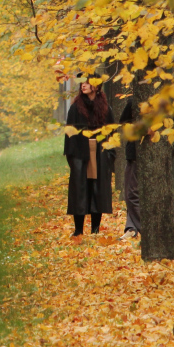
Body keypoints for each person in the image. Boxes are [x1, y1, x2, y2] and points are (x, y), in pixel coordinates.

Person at [64, 80, 113, 236]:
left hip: (99, 153)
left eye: (87, 82)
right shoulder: (75, 108)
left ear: (96, 86)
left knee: (97, 190)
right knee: (80, 190)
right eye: (82, 83)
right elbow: (70, 134)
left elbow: (111, 132)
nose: (83, 85)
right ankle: (78, 230)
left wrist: (109, 155)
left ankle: (95, 230)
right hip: (80, 153)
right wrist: (73, 157)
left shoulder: (105, 108)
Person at [119, 97, 141, 238]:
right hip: (134, 153)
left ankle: (138, 227)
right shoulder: (134, 101)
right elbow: (124, 121)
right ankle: (132, 228)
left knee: (132, 194)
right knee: (131, 192)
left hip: (156, 155)